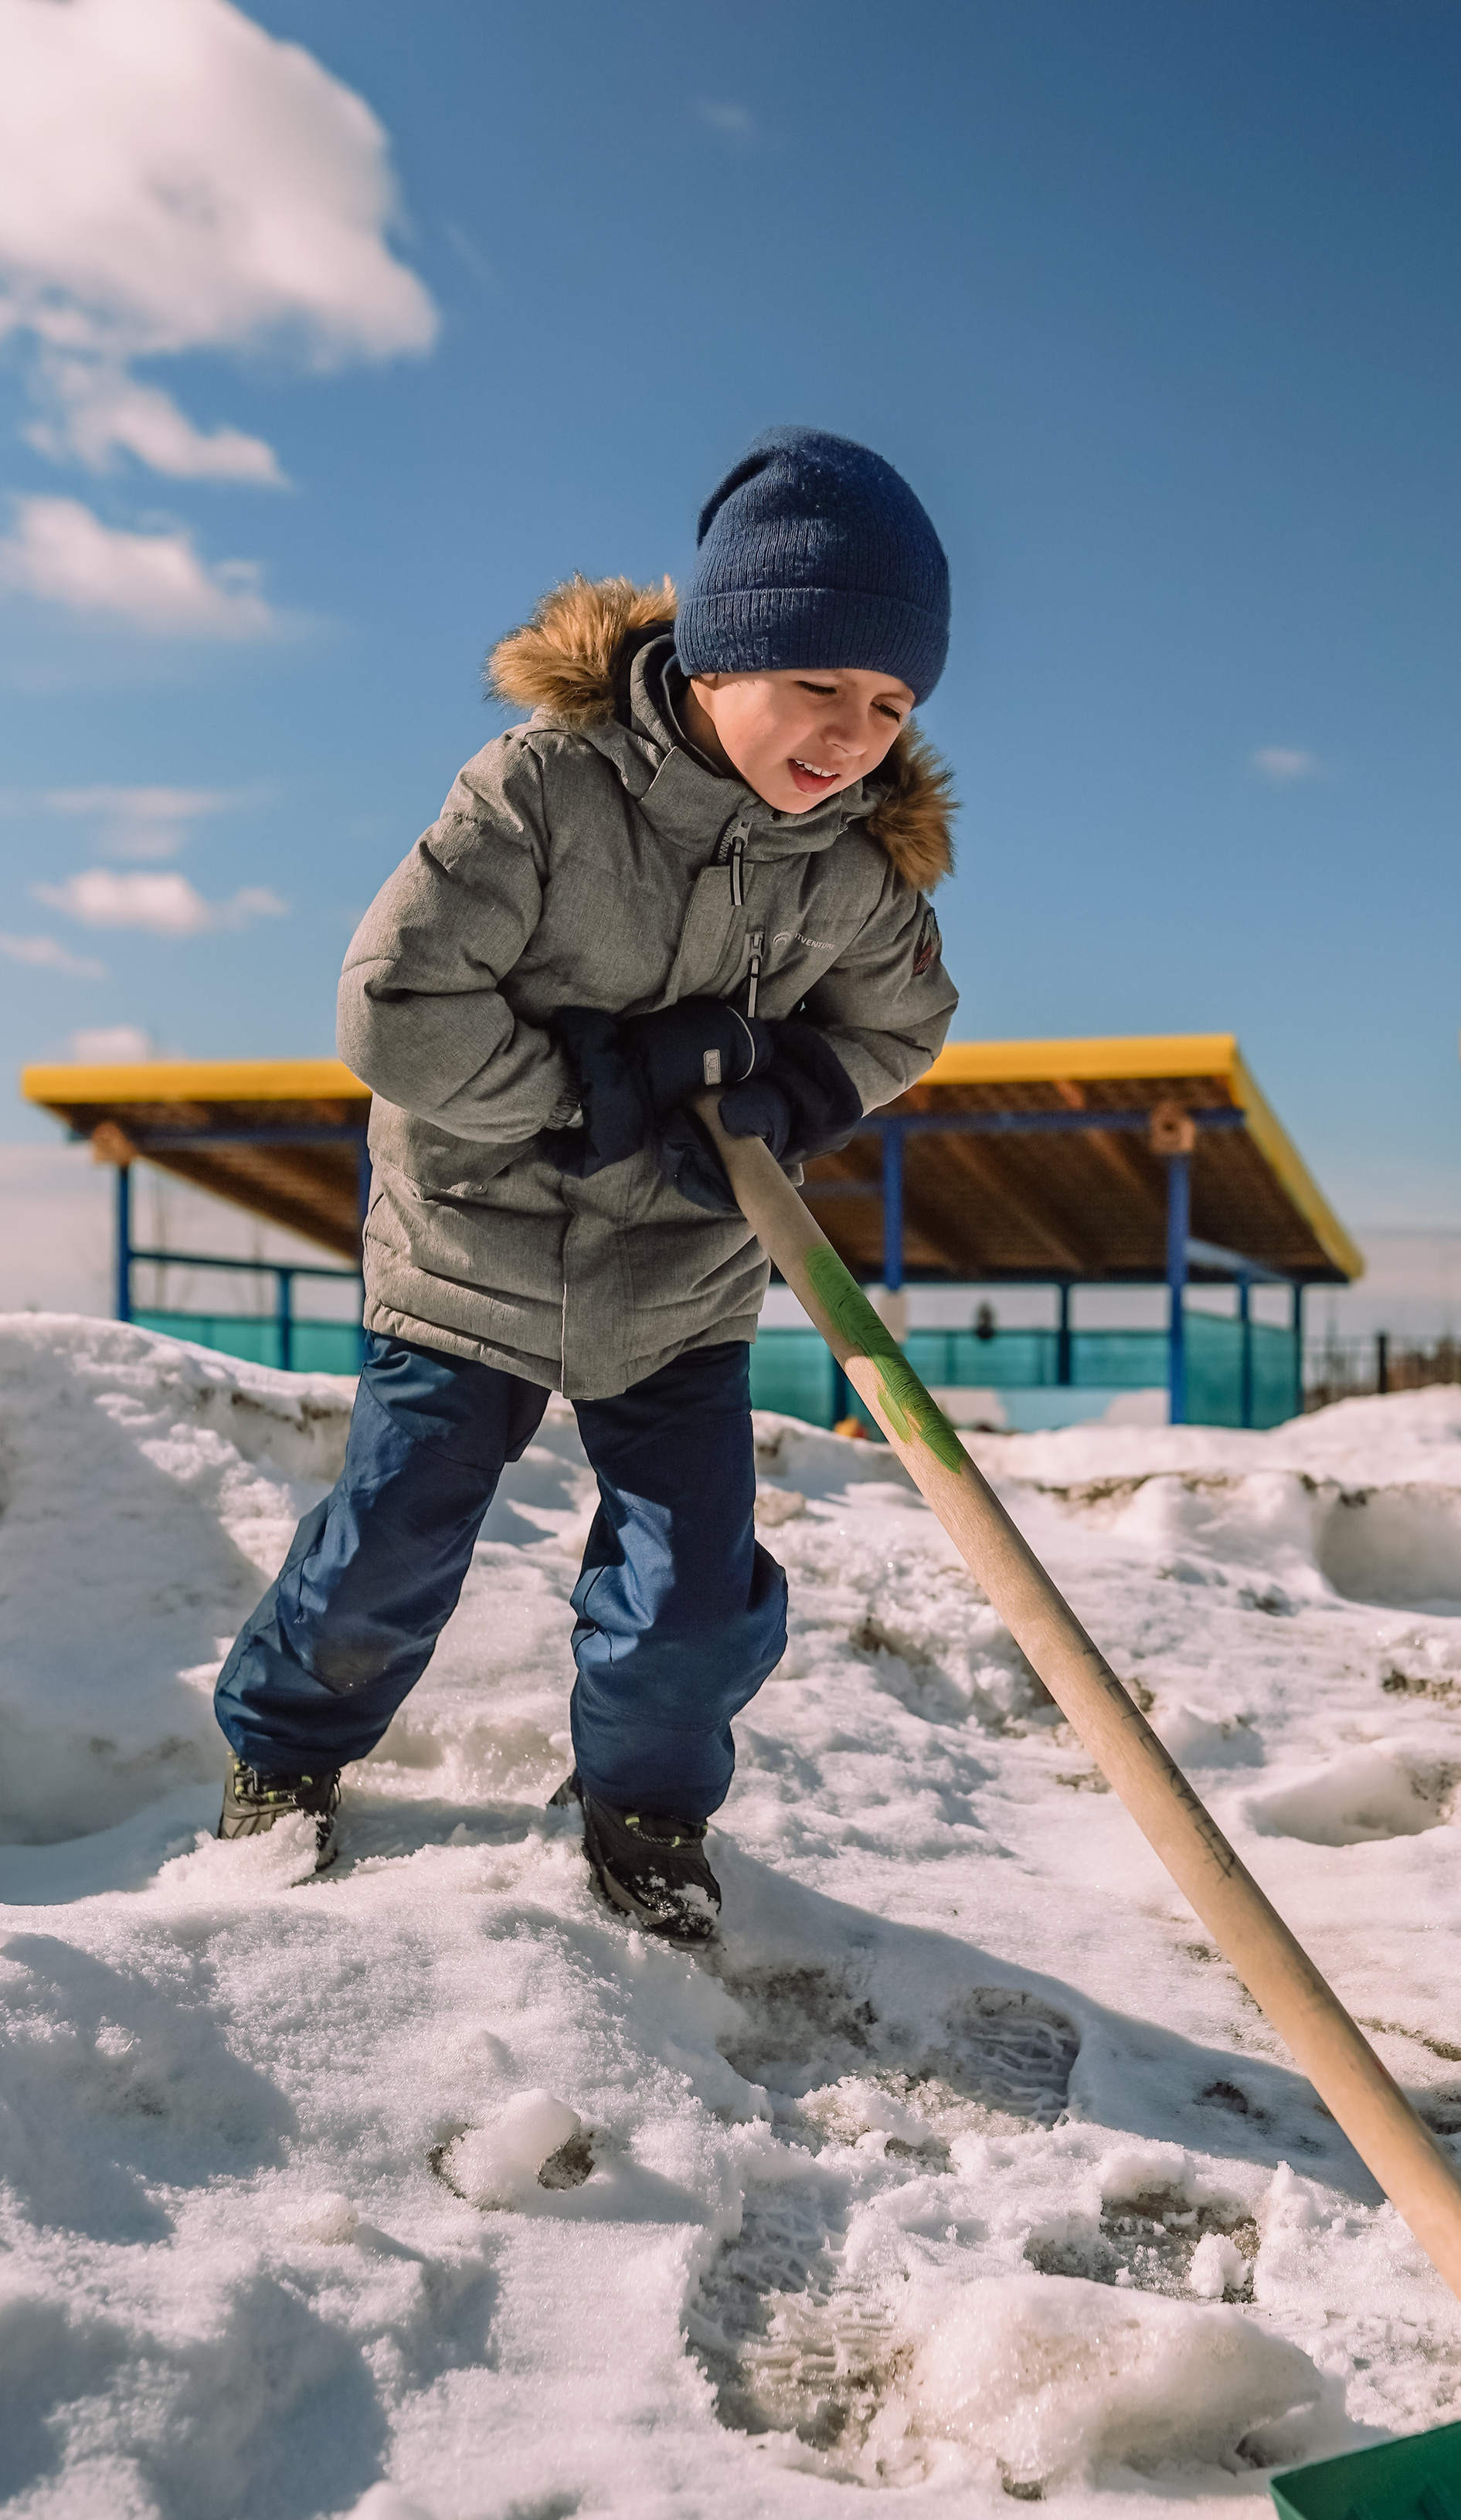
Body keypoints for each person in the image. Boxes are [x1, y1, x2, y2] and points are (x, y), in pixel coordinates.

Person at [209, 428, 959, 1941]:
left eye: (890, 705)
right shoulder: (544, 789)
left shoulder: (853, 869)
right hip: (468, 1254)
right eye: (817, 684)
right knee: (389, 1545)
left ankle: (643, 1806)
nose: (852, 736)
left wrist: (784, 1086)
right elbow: (396, 1007)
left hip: (677, 1275)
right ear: (716, 656)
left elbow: (902, 1023)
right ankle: (284, 1754)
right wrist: (581, 1094)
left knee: (692, 1592)